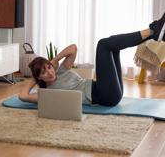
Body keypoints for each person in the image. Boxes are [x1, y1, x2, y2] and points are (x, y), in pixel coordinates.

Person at [19, 13, 165, 106]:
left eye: (49, 67)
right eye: (44, 72)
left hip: (110, 91)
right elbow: (23, 96)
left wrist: (55, 59)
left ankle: (153, 33)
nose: (49, 72)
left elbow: (73, 48)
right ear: (39, 78)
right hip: (104, 96)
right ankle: (152, 31)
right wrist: (35, 78)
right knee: (103, 44)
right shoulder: (47, 93)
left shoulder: (62, 71)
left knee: (113, 44)